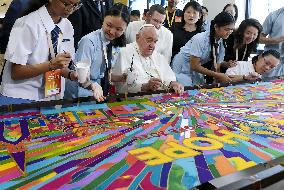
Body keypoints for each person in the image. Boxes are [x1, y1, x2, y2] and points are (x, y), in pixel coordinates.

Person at [0, 0, 99, 104]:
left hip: (49, 97)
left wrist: (71, 74)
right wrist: (51, 65)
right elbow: (16, 73)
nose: (70, 9)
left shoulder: (67, 26)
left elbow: (60, 66)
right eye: (66, 4)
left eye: (75, 5)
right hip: (20, 96)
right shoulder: (27, 23)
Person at [65, 3, 130, 99]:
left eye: (118, 29)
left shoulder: (115, 44)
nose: (112, 32)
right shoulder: (89, 41)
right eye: (109, 25)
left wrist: (121, 78)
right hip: (79, 92)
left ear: (125, 29)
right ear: (103, 20)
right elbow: (79, 75)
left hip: (97, 92)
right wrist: (93, 86)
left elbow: (102, 73)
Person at [112, 24, 184, 94]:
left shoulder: (158, 56)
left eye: (155, 41)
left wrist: (173, 83)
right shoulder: (124, 52)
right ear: (137, 37)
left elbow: (169, 78)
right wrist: (145, 87)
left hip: (160, 99)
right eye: (149, 40)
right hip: (135, 100)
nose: (152, 45)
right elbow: (120, 87)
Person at [171, 11, 235, 86]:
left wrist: (217, 79)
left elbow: (217, 66)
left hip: (195, 67)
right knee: (184, 90)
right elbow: (194, 65)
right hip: (182, 66)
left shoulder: (221, 43)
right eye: (227, 29)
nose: (229, 32)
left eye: (231, 29)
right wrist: (217, 75)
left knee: (200, 89)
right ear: (216, 27)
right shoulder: (200, 39)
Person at [260, 7, 284, 77]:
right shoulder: (274, 15)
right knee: (266, 86)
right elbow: (259, 38)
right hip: (271, 64)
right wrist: (274, 40)